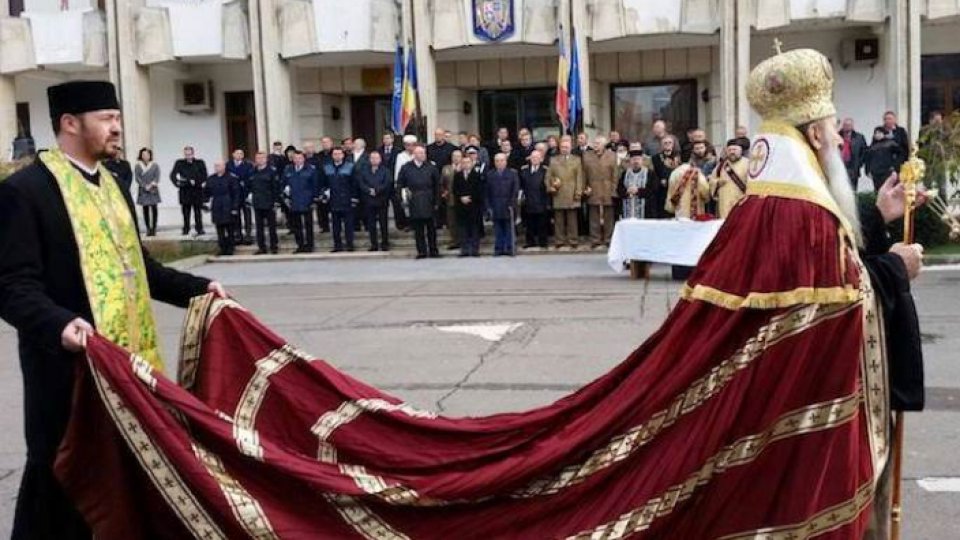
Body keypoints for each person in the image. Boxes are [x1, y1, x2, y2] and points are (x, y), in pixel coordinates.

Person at [0, 79, 225, 540]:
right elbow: (12, 286)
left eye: (118, 117)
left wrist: (201, 290)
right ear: (69, 123)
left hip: (129, 366)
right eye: (107, 119)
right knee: (59, 478)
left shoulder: (113, 185)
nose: (117, 128)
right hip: (66, 372)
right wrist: (59, 324)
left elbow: (141, 270)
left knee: (125, 476)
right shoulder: (27, 191)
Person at [745, 47, 924, 536]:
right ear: (818, 132)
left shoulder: (782, 196)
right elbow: (831, 298)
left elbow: (831, 257)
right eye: (829, 122)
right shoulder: (801, 208)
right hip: (822, 399)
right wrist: (895, 268)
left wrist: (875, 217)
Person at [397, 144, 441, 259]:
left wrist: (437, 201)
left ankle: (433, 250)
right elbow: (400, 184)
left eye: (424, 153)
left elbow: (437, 185)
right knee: (418, 229)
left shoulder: (431, 167)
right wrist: (402, 198)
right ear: (414, 155)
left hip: (429, 199)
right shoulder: (406, 167)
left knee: (431, 228)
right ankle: (421, 251)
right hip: (414, 200)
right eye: (420, 153)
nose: (423, 155)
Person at [546, 138, 585, 250]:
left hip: (572, 192)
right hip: (558, 193)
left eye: (567, 147)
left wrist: (578, 192)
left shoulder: (576, 160)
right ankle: (559, 240)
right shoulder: (553, 160)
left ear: (570, 147)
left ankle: (573, 240)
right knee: (559, 219)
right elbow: (548, 176)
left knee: (572, 219)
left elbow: (579, 177)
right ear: (559, 148)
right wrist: (551, 186)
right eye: (563, 147)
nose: (565, 149)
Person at [582, 136, 619, 248]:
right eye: (594, 142)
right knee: (594, 215)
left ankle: (608, 239)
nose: (595, 144)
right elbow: (583, 173)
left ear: (604, 144)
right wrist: (585, 187)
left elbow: (615, 175)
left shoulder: (612, 155)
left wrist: (614, 190)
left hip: (607, 187)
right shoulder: (587, 156)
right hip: (593, 187)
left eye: (598, 143)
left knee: (609, 215)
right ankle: (595, 239)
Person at [322, 147, 358, 252]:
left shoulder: (350, 166)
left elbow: (354, 183)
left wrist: (354, 197)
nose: (337, 156)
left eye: (339, 154)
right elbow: (324, 183)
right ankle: (337, 245)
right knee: (335, 226)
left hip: (347, 200)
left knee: (348, 225)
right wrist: (324, 193)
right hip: (333, 200)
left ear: (343, 155)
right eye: (335, 154)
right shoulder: (327, 167)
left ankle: (350, 244)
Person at [486, 153, 520, 256]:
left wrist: (512, 203)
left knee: (509, 228)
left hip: (508, 205)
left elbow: (515, 190)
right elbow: (487, 191)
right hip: (495, 205)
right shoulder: (490, 174)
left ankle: (509, 248)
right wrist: (488, 206)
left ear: (505, 161)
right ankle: (499, 248)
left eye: (501, 160)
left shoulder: (512, 174)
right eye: (497, 161)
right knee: (497, 229)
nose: (499, 163)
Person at [283, 151, 318, 253]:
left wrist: (314, 200)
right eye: (295, 158)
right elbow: (283, 183)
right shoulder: (288, 169)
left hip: (307, 201)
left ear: (303, 159)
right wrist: (285, 192)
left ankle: (310, 245)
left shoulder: (311, 169)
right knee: (296, 226)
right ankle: (300, 245)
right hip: (293, 201)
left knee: (308, 225)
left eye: (300, 158)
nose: (297, 160)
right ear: (293, 159)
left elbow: (315, 186)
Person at [357, 150, 392, 251]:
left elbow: (387, 183)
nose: (374, 160)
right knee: (371, 224)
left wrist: (377, 190)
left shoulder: (385, 170)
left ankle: (385, 243)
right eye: (372, 158)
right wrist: (368, 190)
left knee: (383, 223)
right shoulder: (364, 170)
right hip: (369, 200)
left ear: (380, 159)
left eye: (376, 158)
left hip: (381, 199)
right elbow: (361, 183)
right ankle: (374, 244)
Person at [169, 145, 207, 236]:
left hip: (197, 190)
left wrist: (196, 182)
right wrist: (178, 183)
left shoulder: (199, 162)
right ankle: (186, 228)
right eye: (186, 154)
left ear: (193, 154)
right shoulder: (179, 163)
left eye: (189, 154)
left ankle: (199, 228)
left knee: (197, 211)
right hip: (185, 190)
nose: (188, 156)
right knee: (186, 212)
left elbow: (204, 175)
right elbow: (173, 175)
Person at [205, 161, 240, 256]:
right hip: (216, 205)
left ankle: (230, 248)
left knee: (230, 229)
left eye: (219, 165)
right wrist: (205, 203)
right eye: (215, 166)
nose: (217, 167)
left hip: (228, 205)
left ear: (224, 166)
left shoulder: (231, 178)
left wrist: (234, 207)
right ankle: (222, 248)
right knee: (219, 229)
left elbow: (236, 194)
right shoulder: (211, 178)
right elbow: (206, 192)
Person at [248, 151, 281, 255]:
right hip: (257, 202)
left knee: (272, 227)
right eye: (258, 158)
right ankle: (261, 247)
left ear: (266, 159)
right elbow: (249, 186)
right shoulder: (252, 171)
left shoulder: (272, 171)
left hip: (269, 202)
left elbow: (276, 188)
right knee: (259, 227)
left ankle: (274, 246)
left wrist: (276, 201)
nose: (260, 160)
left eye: (262, 158)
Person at [708, 140, 749, 219]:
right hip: (724, 201)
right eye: (729, 150)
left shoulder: (748, 164)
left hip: (742, 200)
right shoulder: (721, 165)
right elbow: (712, 180)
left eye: (734, 150)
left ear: (740, 151)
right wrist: (717, 183)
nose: (732, 152)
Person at [665, 149, 710, 219]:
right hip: (695, 211)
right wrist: (706, 198)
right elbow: (704, 190)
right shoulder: (697, 172)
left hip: (680, 210)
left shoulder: (674, 173)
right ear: (691, 159)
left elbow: (671, 192)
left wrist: (671, 208)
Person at [454, 154, 484, 257]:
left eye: (468, 162)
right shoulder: (457, 176)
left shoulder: (477, 175)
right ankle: (464, 250)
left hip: (474, 207)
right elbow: (455, 190)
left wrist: (470, 198)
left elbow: (480, 190)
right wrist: (461, 198)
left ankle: (475, 250)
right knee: (463, 230)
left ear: (472, 164)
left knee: (474, 229)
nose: (466, 165)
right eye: (464, 163)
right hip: (461, 207)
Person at [519, 149, 549, 248]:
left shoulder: (545, 171)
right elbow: (521, 186)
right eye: (533, 157)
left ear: (541, 159)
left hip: (541, 200)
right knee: (529, 224)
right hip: (528, 201)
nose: (535, 159)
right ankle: (530, 242)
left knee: (542, 224)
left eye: (537, 157)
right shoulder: (524, 170)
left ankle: (543, 242)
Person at [226, 148, 254, 245]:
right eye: (237, 153)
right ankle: (238, 234)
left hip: (245, 193)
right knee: (235, 215)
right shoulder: (228, 165)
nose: (239, 155)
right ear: (233, 154)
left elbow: (251, 178)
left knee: (247, 215)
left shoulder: (248, 165)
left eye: (241, 153)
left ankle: (248, 234)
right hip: (233, 194)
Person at [617, 150, 657, 219]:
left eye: (638, 159)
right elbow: (619, 189)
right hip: (627, 210)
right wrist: (627, 190)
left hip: (646, 211)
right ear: (630, 161)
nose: (636, 162)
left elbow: (654, 189)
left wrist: (638, 191)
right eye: (633, 159)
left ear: (642, 160)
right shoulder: (625, 174)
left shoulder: (650, 174)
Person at [134, 147, 161, 236]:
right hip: (143, 189)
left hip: (153, 189)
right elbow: (137, 177)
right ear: (141, 156)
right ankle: (148, 228)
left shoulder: (155, 165)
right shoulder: (138, 166)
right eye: (143, 155)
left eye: (147, 154)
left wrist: (152, 184)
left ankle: (154, 228)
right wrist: (144, 186)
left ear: (150, 155)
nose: (145, 156)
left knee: (154, 209)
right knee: (145, 209)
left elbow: (157, 177)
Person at [863, 127, 900, 192]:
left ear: (884, 134)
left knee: (888, 189)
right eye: (876, 133)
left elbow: (899, 156)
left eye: (879, 133)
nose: (877, 135)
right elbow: (868, 160)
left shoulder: (891, 144)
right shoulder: (872, 147)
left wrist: (895, 166)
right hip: (876, 172)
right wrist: (867, 171)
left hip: (887, 171)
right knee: (878, 190)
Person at [651, 135, 681, 215]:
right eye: (665, 143)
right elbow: (653, 174)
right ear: (661, 145)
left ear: (673, 144)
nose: (667, 144)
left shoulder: (679, 158)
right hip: (662, 190)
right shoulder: (655, 158)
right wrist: (659, 181)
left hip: (676, 190)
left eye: (670, 142)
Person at [441, 149, 463, 250]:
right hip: (451, 199)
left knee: (462, 221)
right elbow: (442, 183)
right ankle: (454, 241)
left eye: (458, 156)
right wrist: (443, 191)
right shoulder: (446, 168)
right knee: (452, 221)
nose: (456, 158)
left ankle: (464, 240)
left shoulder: (465, 166)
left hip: (463, 200)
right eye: (454, 156)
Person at [839, 117, 867, 189]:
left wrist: (859, 163)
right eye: (846, 125)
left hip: (853, 167)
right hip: (840, 166)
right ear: (843, 126)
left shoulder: (859, 137)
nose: (847, 127)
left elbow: (864, 152)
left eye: (849, 125)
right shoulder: (837, 136)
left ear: (852, 126)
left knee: (852, 189)